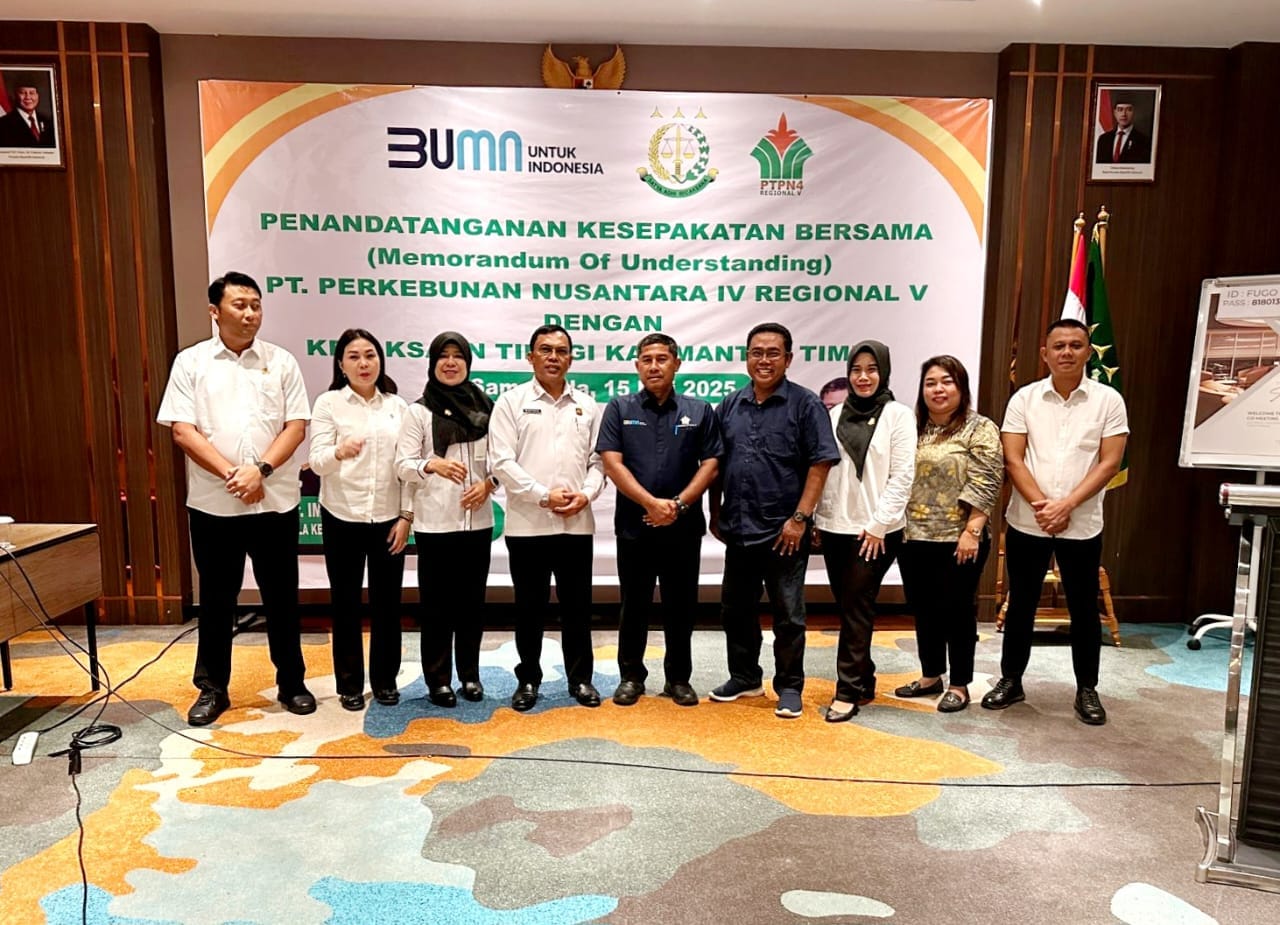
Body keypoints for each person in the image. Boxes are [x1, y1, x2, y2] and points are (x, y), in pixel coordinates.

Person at [156, 271, 314, 726]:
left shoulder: (281, 361)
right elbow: (183, 430)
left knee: (282, 597)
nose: (250, 314)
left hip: (274, 501)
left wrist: (259, 471)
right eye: (239, 305)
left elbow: (296, 427)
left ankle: (292, 682)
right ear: (215, 311)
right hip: (215, 503)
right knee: (217, 599)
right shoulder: (191, 362)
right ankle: (212, 689)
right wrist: (234, 475)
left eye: (256, 305)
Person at [982, 319, 1128, 725]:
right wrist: (1043, 506)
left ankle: (1087, 689)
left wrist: (1067, 506)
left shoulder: (1108, 400)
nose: (1067, 352)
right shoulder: (1024, 399)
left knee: (1083, 608)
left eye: (1075, 345)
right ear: (1044, 354)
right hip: (1028, 521)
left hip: (1081, 524)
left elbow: (1109, 463)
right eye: (1059, 346)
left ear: (1088, 352)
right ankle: (1011, 680)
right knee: (1021, 604)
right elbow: (1013, 459)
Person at [708, 322, 840, 719]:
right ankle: (745, 677)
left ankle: (790, 686)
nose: (763, 360)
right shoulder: (730, 405)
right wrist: (714, 511)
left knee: (788, 615)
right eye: (756, 352)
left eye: (772, 353)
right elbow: (715, 462)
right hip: (739, 527)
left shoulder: (805, 404)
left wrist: (800, 518)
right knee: (735, 609)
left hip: (785, 531)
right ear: (747, 357)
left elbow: (820, 463)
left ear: (788, 359)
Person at [597, 333, 723, 707]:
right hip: (635, 527)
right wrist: (651, 504)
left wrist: (678, 505)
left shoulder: (700, 411)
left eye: (662, 359)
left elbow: (712, 463)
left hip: (683, 527)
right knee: (633, 605)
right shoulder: (619, 408)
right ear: (637, 366)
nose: (654, 366)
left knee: (681, 606)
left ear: (676, 364)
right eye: (647, 359)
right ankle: (631, 677)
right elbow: (611, 463)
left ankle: (678, 679)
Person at [490, 324, 606, 711]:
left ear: (570, 358)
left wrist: (585, 494)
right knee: (529, 609)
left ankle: (581, 679)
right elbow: (501, 462)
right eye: (545, 350)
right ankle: (528, 680)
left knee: (578, 608)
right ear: (531, 357)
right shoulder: (511, 402)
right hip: (528, 526)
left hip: (576, 524)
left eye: (561, 351)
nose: (553, 357)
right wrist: (543, 495)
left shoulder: (586, 405)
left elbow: (598, 461)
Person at [309, 329, 412, 712]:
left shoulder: (398, 407)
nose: (363, 363)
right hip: (342, 515)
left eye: (370, 355)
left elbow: (407, 467)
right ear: (340, 364)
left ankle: (385, 681)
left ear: (380, 360)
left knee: (388, 605)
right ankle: (349, 684)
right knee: (346, 603)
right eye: (354, 356)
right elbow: (316, 461)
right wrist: (339, 451)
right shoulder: (329, 403)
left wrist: (406, 516)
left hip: (388, 519)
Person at [813, 341, 915, 722]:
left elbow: (902, 476)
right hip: (835, 526)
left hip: (876, 531)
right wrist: (819, 519)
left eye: (872, 369)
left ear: (883, 372)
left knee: (857, 606)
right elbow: (826, 470)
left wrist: (878, 526)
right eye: (856, 369)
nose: (864, 377)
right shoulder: (834, 413)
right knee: (848, 606)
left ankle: (847, 691)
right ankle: (865, 677)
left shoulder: (898, 416)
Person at [895, 356, 1003, 714]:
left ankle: (959, 684)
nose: (938, 389)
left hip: (960, 538)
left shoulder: (979, 428)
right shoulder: (912, 428)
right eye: (930, 383)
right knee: (923, 609)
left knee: (957, 611)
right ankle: (931, 675)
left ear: (961, 387)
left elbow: (987, 480)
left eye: (947, 382)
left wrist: (972, 530)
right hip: (913, 536)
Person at [397, 332, 499, 707]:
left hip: (478, 523)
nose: (451, 363)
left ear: (468, 363)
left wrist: (489, 484)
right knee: (437, 606)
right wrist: (431, 464)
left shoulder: (487, 409)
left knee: (472, 604)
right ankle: (438, 680)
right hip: (435, 524)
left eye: (458, 356)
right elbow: (402, 464)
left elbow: (503, 461)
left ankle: (470, 676)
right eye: (444, 356)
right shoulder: (419, 412)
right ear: (433, 363)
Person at [1094, 97, 1151, 165]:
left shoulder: (1144, 141)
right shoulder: (1103, 139)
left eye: (1128, 110)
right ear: (1115, 113)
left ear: (1134, 112)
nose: (1124, 114)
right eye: (1120, 109)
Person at [0, 80, 55, 148]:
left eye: (32, 93)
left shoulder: (48, 122)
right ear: (16, 95)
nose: (28, 97)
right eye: (23, 93)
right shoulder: (3, 124)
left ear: (37, 96)